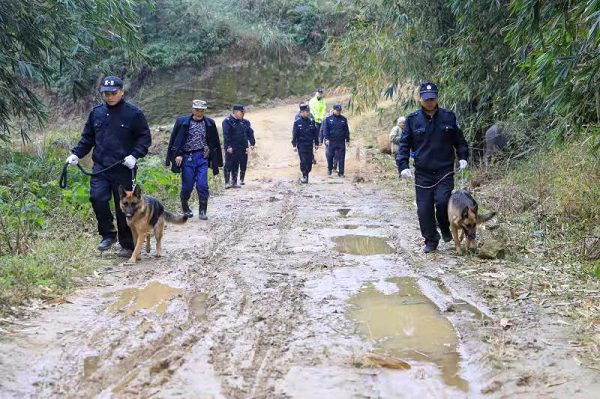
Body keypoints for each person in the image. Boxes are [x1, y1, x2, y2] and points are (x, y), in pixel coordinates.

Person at [66, 76, 151, 257]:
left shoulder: (133, 113)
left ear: (122, 91)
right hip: (101, 167)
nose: (109, 96)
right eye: (106, 93)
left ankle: (127, 245)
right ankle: (108, 234)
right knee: (97, 197)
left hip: (123, 168)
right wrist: (76, 154)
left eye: (113, 93)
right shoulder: (96, 113)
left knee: (125, 208)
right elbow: (87, 138)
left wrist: (135, 156)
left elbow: (145, 138)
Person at [396, 82, 469, 253]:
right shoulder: (412, 120)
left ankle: (444, 225)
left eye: (433, 98)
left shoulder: (449, 117)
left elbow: (459, 140)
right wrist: (403, 165)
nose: (430, 102)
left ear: (437, 98)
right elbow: (404, 144)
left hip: (444, 170)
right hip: (423, 172)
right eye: (426, 99)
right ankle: (431, 240)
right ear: (420, 99)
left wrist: (463, 157)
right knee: (424, 209)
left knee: (443, 202)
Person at [166, 100, 223, 220]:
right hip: (187, 157)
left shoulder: (209, 123)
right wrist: (178, 154)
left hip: (202, 157)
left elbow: (215, 142)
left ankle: (203, 210)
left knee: (203, 184)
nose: (200, 112)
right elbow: (175, 140)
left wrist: (215, 159)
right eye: (197, 110)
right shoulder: (182, 122)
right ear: (192, 109)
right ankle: (185, 207)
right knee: (187, 185)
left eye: (202, 110)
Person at [222, 104, 248, 189]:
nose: (243, 114)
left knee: (236, 164)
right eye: (242, 112)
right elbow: (226, 135)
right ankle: (226, 182)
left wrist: (246, 147)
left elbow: (244, 136)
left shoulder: (241, 122)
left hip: (239, 147)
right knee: (228, 164)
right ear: (236, 112)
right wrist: (228, 146)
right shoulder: (227, 121)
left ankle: (234, 182)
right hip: (230, 147)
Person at [292, 104, 319, 183]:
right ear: (302, 112)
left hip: (309, 145)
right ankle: (304, 176)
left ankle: (307, 173)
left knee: (309, 162)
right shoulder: (297, 122)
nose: (308, 113)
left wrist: (316, 143)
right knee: (303, 161)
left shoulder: (311, 122)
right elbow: (294, 135)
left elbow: (315, 133)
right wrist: (294, 145)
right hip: (301, 145)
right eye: (307, 112)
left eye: (309, 112)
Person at [322, 104, 350, 177]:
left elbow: (346, 130)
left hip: (341, 141)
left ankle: (341, 173)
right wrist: (326, 139)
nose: (338, 112)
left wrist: (347, 139)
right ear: (334, 110)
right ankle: (330, 168)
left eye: (340, 110)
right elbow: (325, 130)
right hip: (331, 141)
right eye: (337, 110)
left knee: (341, 157)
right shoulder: (328, 119)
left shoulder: (343, 119)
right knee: (330, 156)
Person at [309, 89, 327, 165]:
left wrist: (321, 117)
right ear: (316, 93)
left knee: (322, 132)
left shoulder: (323, 101)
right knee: (315, 133)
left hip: (321, 119)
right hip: (314, 119)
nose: (319, 94)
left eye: (321, 93)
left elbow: (324, 109)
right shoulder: (312, 101)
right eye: (318, 93)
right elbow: (312, 110)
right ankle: (313, 152)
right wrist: (317, 117)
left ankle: (320, 142)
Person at [239, 109, 256, 185]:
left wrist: (252, 143)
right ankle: (233, 179)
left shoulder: (246, 122)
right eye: (241, 112)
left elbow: (250, 132)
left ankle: (241, 179)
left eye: (243, 112)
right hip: (234, 146)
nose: (242, 114)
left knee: (243, 162)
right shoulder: (230, 122)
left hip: (244, 145)